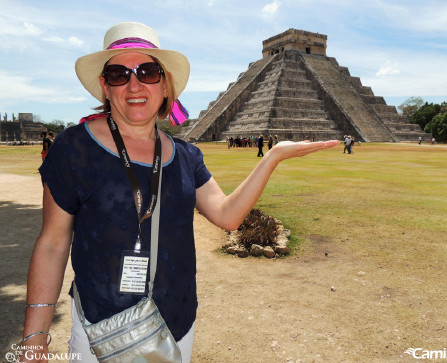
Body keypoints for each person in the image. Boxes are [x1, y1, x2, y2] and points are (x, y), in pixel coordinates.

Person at [20, 22, 339, 363]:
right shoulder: (74, 148)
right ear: (104, 86)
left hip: (174, 326)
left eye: (148, 71)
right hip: (102, 329)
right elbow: (53, 244)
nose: (134, 85)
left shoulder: (185, 155)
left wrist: (273, 157)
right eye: (118, 74)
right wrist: (35, 339)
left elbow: (228, 215)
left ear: (165, 82)